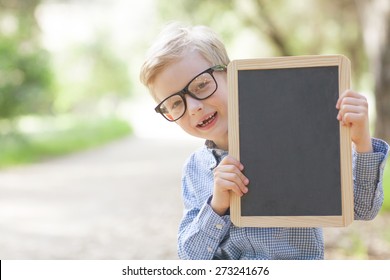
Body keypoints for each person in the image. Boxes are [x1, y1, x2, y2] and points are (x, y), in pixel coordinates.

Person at [139, 22, 389, 260]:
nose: (193, 107)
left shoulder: (296, 142)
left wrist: (361, 143)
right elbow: (190, 258)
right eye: (174, 103)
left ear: (231, 74)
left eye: (202, 85)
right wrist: (217, 207)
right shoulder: (195, 169)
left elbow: (364, 209)